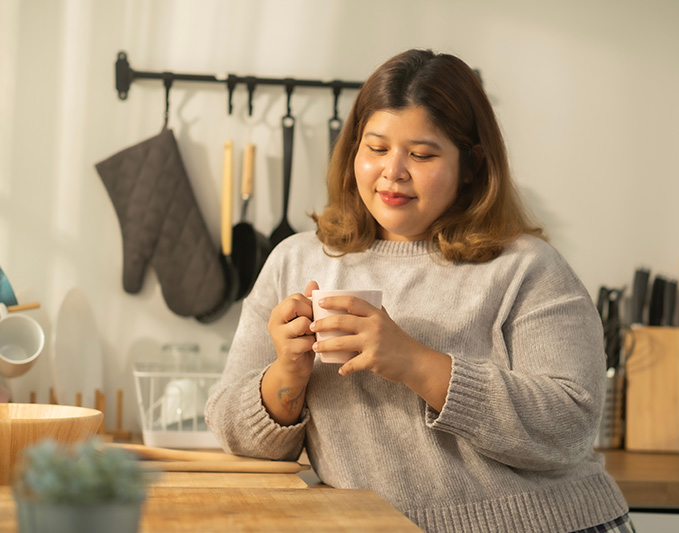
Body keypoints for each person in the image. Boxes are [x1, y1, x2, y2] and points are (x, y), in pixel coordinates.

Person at [206, 49, 632, 533]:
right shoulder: (295, 261)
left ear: (471, 165)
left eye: (423, 154)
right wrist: (288, 372)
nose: (393, 171)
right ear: (353, 153)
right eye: (376, 148)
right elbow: (234, 433)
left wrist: (414, 362)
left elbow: (571, 427)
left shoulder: (525, 268)